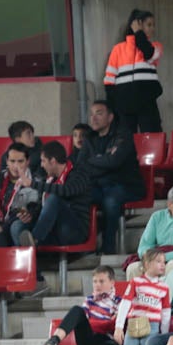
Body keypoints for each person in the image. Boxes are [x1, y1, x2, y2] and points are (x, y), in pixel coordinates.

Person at [75, 101, 143, 255]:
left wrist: (94, 161)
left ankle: (108, 248)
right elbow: (80, 165)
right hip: (99, 185)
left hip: (125, 185)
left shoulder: (123, 135)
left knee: (111, 201)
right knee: (78, 195)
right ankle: (83, 244)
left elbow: (114, 162)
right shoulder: (89, 138)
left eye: (99, 113)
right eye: (91, 114)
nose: (94, 118)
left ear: (110, 117)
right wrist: (102, 159)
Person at [44, 266, 124, 345]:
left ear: (112, 283)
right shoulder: (89, 300)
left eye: (101, 281)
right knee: (77, 310)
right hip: (90, 340)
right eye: (95, 281)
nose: (97, 285)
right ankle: (54, 340)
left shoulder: (119, 301)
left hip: (107, 341)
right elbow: (83, 321)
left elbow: (114, 324)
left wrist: (96, 323)